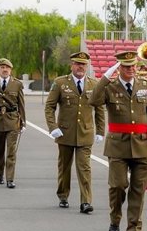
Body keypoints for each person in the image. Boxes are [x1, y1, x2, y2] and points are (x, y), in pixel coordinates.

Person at [89, 51, 147, 231]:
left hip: (142, 146)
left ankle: (134, 230)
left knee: (138, 190)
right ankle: (115, 218)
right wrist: (105, 77)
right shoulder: (110, 88)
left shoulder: (144, 86)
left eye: (133, 66)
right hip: (118, 147)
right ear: (119, 68)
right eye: (126, 66)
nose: (131, 70)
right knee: (118, 186)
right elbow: (93, 100)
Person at [44, 52, 105, 212]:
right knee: (64, 167)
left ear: (87, 66)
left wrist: (100, 131)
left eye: (83, 64)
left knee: (84, 168)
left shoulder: (94, 84)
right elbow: (49, 107)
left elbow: (99, 109)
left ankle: (86, 201)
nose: (80, 67)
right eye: (77, 64)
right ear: (72, 65)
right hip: (65, 133)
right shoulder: (60, 83)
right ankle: (63, 195)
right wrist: (53, 127)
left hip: (85, 133)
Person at [0, 58, 25, 189]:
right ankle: (0, 175)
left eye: (7, 68)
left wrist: (23, 122)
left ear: (11, 70)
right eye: (2, 67)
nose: (5, 69)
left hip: (12, 120)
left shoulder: (17, 84)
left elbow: (21, 104)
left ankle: (10, 179)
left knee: (11, 151)